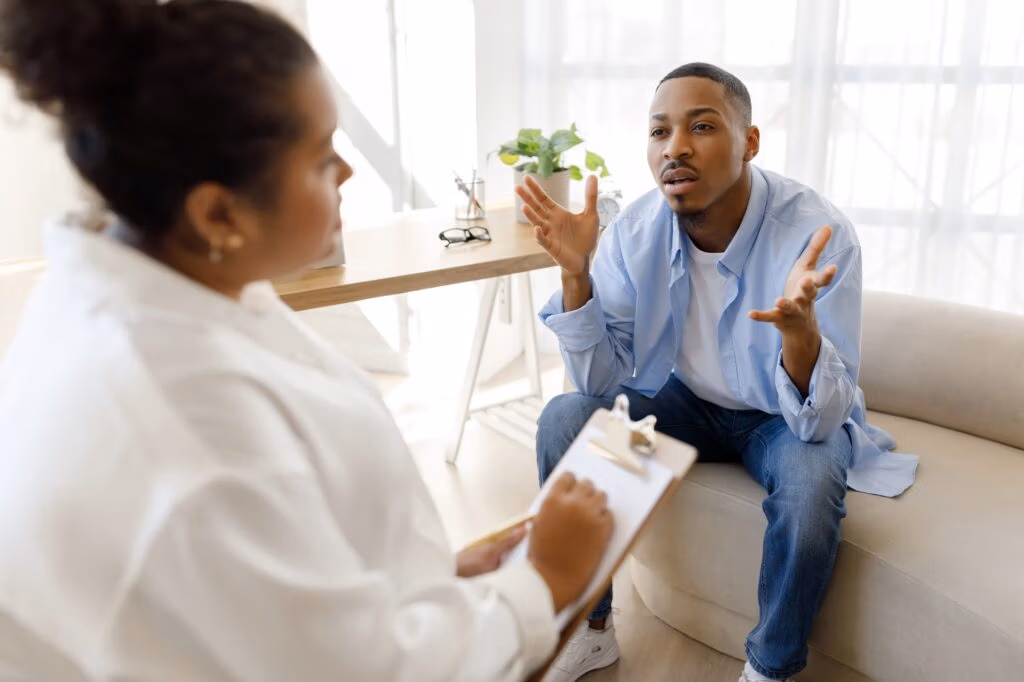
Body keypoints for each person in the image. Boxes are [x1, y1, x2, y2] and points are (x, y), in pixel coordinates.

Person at [0, 1, 615, 680]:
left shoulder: (176, 289)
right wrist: (546, 580)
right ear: (219, 211)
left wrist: (423, 582)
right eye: (323, 159)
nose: (348, 174)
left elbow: (261, 586)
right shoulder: (184, 429)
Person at [517, 63, 919, 682]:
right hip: (681, 406)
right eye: (659, 132)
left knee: (811, 484)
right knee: (564, 418)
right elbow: (598, 385)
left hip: (780, 417)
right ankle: (591, 627)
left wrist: (801, 336)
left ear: (749, 142)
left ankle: (770, 667)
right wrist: (578, 278)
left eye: (701, 126)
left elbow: (822, 419)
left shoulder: (817, 235)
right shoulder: (634, 232)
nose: (675, 146)